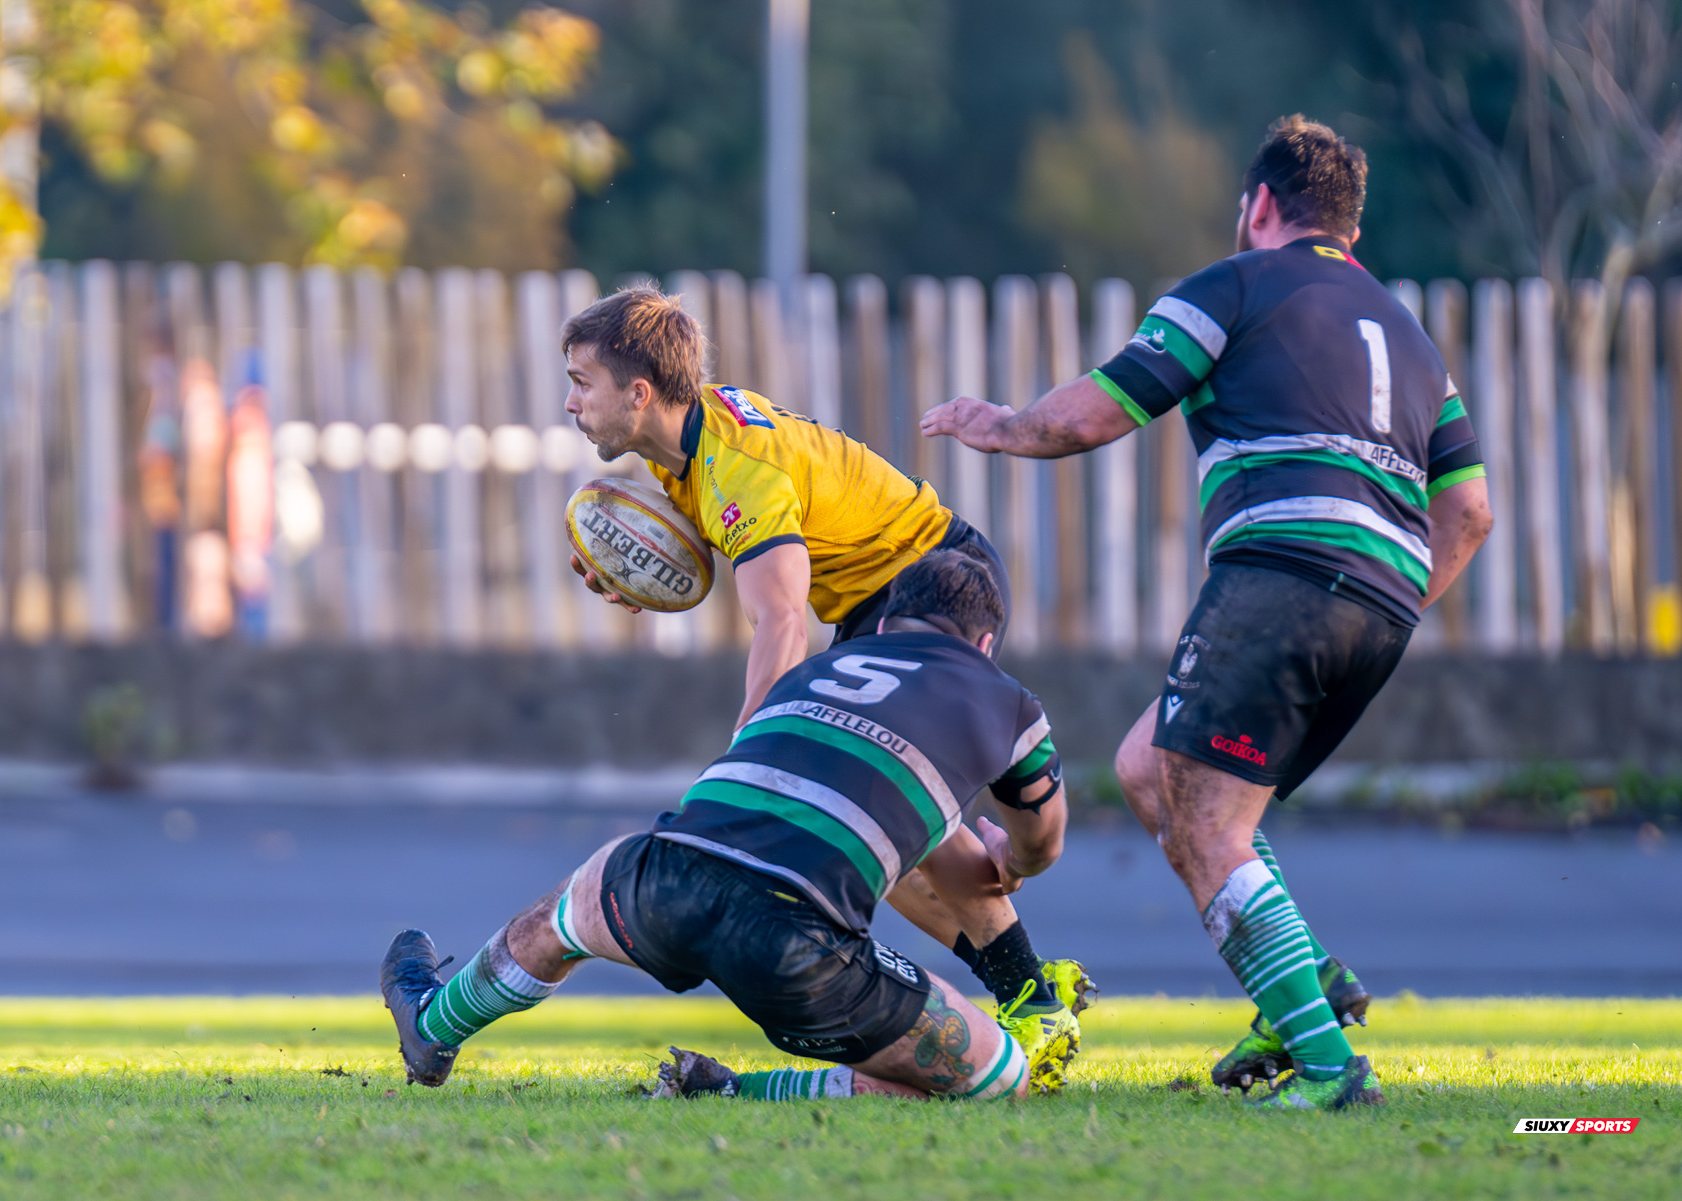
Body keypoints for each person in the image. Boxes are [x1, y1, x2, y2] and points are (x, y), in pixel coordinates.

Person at [921, 115, 1493, 1110]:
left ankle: (1327, 1070)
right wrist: (1385, 592)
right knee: (1152, 765)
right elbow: (1472, 512)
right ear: (1349, 232)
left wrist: (996, 424)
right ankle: (1305, 986)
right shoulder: (1413, 341)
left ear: (1259, 205)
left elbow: (1096, 411)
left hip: (1283, 569)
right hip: (1389, 603)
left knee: (1213, 822)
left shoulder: (1231, 286)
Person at [559, 286, 1091, 1081]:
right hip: (882, 597)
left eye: (580, 381)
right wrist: (640, 570)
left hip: (931, 586)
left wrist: (748, 764)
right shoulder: (688, 446)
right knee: (873, 819)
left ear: (638, 394)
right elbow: (726, 551)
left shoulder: (733, 465)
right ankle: (1032, 992)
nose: (569, 402)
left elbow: (782, 624)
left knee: (863, 803)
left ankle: (1031, 998)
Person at [380, 551, 1070, 1100]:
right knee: (1000, 1075)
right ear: (985, 643)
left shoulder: (818, 669)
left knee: (574, 904)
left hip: (662, 881)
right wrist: (1014, 859)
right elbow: (1043, 840)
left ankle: (435, 1023)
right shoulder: (1008, 702)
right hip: (797, 947)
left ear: (887, 624)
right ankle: (734, 1091)